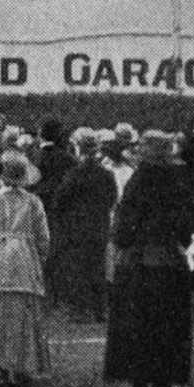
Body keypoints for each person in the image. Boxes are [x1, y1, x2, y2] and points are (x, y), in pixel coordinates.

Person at [105, 130, 194, 387]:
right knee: (168, 332)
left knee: (136, 332)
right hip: (169, 265)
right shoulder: (178, 185)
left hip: (135, 265)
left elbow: (120, 231)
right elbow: (185, 232)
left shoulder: (136, 183)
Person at [0, 150, 51, 387]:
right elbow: (43, 237)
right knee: (23, 311)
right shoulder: (33, 202)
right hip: (24, 257)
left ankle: (2, 366)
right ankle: (21, 365)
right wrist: (39, 258)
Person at [50, 129, 118, 322]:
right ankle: (99, 310)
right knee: (97, 267)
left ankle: (80, 310)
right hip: (100, 226)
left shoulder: (74, 173)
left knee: (78, 268)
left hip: (77, 227)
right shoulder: (106, 174)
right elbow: (112, 198)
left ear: (78, 147)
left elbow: (60, 201)